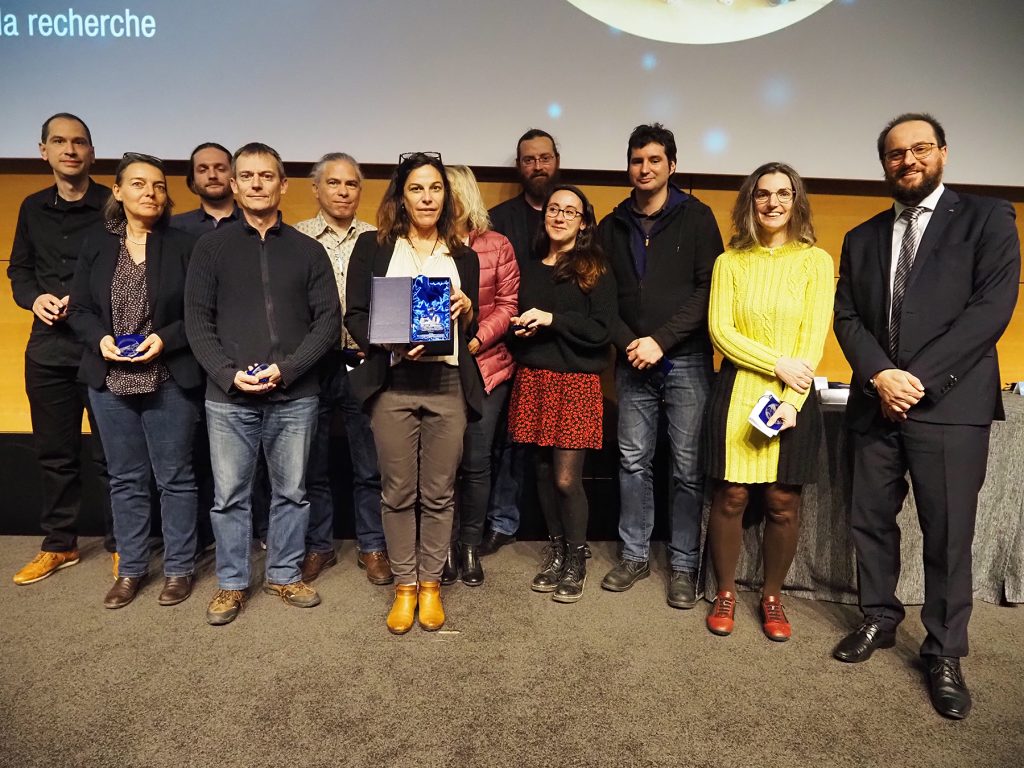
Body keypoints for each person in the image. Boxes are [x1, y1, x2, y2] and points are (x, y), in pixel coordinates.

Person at [832, 113, 1020, 719]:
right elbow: (847, 320)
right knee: (870, 523)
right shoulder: (861, 236)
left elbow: (991, 309)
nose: (907, 160)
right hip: (875, 404)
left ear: (942, 152)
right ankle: (879, 618)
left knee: (947, 535)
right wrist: (879, 376)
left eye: (919, 149)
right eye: (894, 153)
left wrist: (915, 381)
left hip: (949, 404)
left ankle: (943, 651)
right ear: (882, 163)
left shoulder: (989, 219)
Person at [185, 142, 340, 626]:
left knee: (291, 492)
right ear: (233, 184)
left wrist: (288, 370)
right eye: (246, 176)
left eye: (266, 176)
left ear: (283, 185)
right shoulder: (210, 248)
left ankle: (284, 573)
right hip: (228, 397)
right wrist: (227, 375)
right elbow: (196, 321)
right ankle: (232, 584)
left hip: (294, 396)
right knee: (229, 495)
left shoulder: (308, 250)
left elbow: (328, 322)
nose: (256, 184)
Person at [345, 152, 483, 634]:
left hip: (447, 386)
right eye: (416, 189)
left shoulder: (464, 254)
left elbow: (475, 324)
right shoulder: (373, 247)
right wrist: (386, 336)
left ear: (447, 196)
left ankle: (431, 585)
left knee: (440, 493)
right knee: (398, 491)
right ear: (401, 197)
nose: (427, 197)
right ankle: (405, 586)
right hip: (394, 384)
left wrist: (465, 309)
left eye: (435, 189)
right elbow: (356, 316)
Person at [702, 162, 834, 640]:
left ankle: (773, 597)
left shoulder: (816, 261)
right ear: (749, 203)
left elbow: (812, 340)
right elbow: (721, 331)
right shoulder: (729, 262)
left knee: (781, 501)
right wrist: (775, 363)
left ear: (796, 201)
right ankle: (726, 592)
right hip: (736, 389)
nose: (773, 203)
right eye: (763, 195)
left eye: (783, 193)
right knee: (732, 495)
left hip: (792, 396)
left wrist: (791, 400)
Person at [68, 153, 203, 608]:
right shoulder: (97, 244)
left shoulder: (184, 244)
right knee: (125, 479)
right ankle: (130, 570)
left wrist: (163, 341)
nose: (151, 192)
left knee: (175, 478)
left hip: (167, 376)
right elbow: (81, 309)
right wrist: (100, 339)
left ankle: (180, 568)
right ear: (118, 191)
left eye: (159, 185)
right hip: (110, 379)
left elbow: (199, 316)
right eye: (140, 184)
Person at [598, 123, 724, 608]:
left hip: (686, 360)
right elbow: (603, 298)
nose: (645, 168)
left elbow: (707, 288)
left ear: (672, 165)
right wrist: (633, 343)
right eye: (636, 160)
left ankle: (684, 564)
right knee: (632, 462)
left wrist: (662, 341)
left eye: (654, 160)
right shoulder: (613, 225)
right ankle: (633, 555)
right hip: (633, 362)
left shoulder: (697, 217)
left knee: (688, 469)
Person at [7, 113, 117, 585]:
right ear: (43, 151)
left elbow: (130, 270)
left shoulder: (113, 206)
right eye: (60, 142)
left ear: (92, 152)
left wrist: (88, 297)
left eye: (79, 142)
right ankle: (60, 545)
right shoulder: (31, 207)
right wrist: (36, 299)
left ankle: (122, 544)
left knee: (113, 454)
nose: (70, 150)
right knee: (55, 452)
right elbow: (20, 272)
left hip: (102, 347)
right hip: (49, 349)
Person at [507, 185, 615, 603]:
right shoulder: (530, 268)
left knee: (566, 479)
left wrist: (552, 319)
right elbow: (519, 324)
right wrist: (522, 328)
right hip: (534, 379)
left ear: (584, 221)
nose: (560, 216)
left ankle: (577, 557)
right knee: (539, 472)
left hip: (575, 384)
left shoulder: (595, 268)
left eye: (570, 211)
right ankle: (556, 550)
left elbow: (601, 332)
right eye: (554, 208)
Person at [294, 153, 391, 586]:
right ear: (316, 189)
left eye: (351, 184)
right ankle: (319, 546)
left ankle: (372, 545)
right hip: (311, 363)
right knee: (312, 463)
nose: (342, 191)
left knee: (368, 462)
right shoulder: (295, 239)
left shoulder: (378, 238)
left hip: (362, 359)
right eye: (333, 183)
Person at [478, 128, 560, 555]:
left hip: (555, 345)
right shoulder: (499, 216)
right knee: (497, 440)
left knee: (534, 445)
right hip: (501, 344)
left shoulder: (574, 212)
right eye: (529, 160)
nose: (538, 166)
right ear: (519, 166)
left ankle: (538, 527)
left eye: (544, 158)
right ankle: (497, 520)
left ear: (557, 161)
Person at [444, 165, 519, 586]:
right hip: (436, 369)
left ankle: (469, 546)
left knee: (476, 462)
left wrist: (477, 340)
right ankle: (442, 547)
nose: (439, 199)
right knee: (441, 465)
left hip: (487, 366)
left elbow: (508, 304)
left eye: (448, 190)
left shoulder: (496, 244)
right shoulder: (425, 244)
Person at [169, 142, 244, 236]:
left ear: (234, 177)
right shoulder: (172, 227)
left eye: (220, 169)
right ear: (193, 181)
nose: (212, 175)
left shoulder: (256, 222)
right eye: (202, 170)